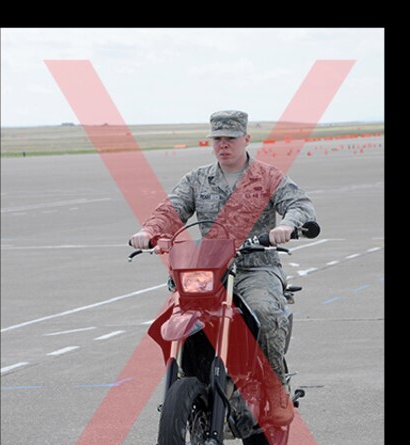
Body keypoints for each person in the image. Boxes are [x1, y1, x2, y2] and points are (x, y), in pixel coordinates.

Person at [129, 110, 316, 425]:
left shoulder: (267, 177)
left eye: (230, 138)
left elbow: (300, 204)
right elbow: (171, 209)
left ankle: (275, 389)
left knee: (265, 313)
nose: (223, 145)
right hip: (210, 270)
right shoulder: (198, 179)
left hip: (255, 267)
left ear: (246, 138)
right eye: (217, 138)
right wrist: (149, 232)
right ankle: (186, 388)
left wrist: (288, 224)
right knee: (174, 317)